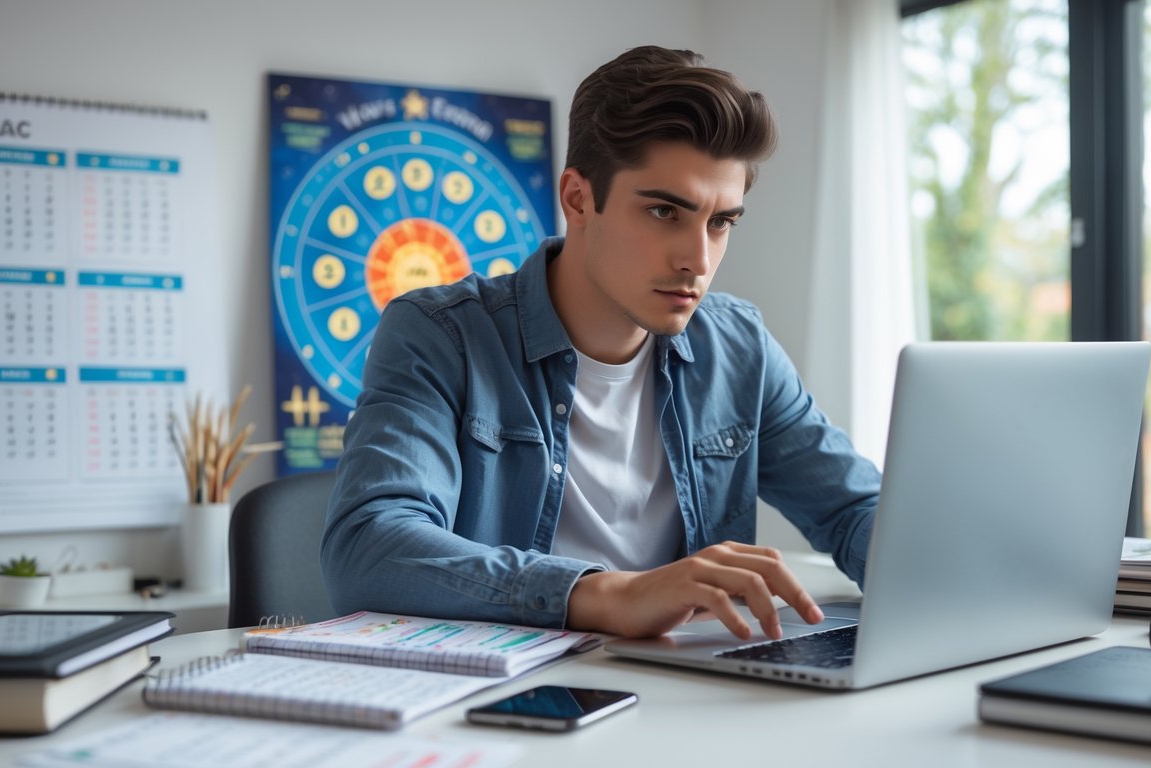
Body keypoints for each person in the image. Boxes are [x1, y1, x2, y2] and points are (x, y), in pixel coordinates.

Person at [322, 45, 881, 642]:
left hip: (689, 692)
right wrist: (609, 593)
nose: (698, 259)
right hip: (515, 705)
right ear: (577, 198)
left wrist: (960, 569)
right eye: (666, 211)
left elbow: (855, 510)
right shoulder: (441, 335)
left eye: (721, 222)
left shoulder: (739, 347)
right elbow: (369, 544)